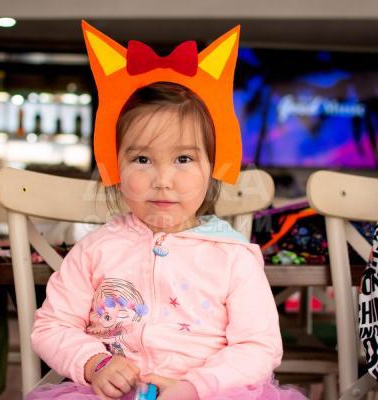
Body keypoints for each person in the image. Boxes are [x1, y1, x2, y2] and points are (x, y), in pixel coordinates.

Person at [26, 21, 307, 400]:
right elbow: (51, 325)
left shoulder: (232, 256)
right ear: (115, 166)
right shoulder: (95, 250)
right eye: (142, 159)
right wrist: (95, 362)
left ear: (212, 168)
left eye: (183, 159)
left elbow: (259, 347)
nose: (162, 180)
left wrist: (197, 386)